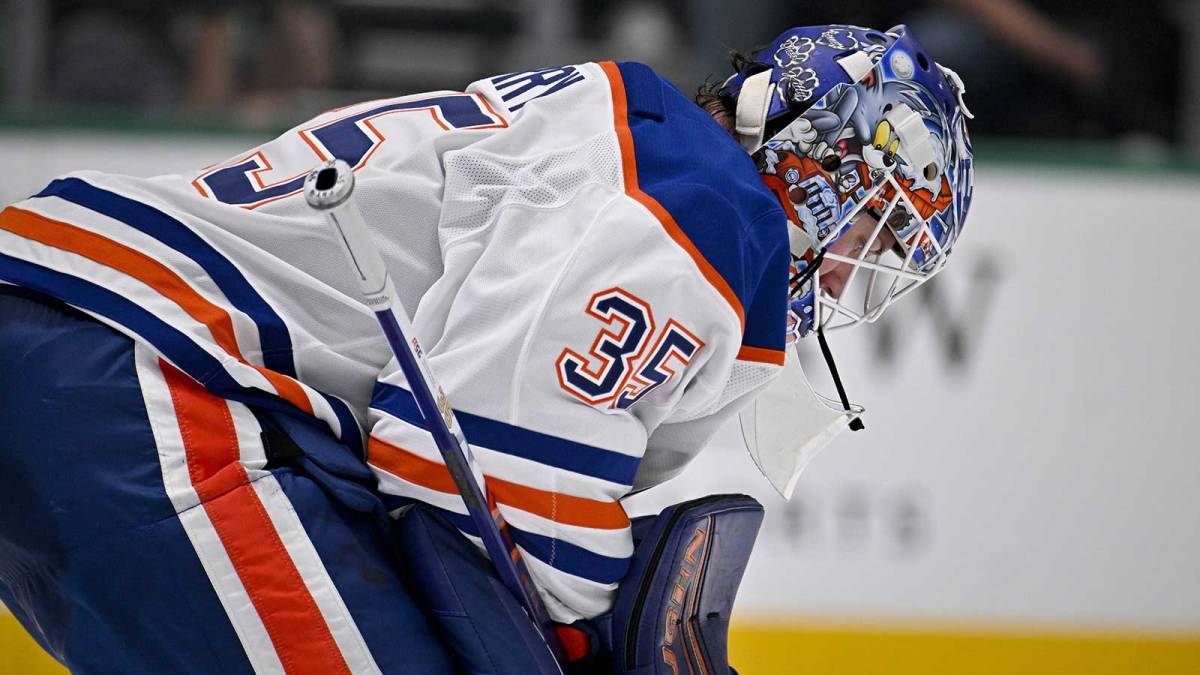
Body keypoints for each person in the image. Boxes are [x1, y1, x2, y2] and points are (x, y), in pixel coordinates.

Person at [0, 23, 973, 673]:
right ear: (821, 161)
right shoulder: (707, 202)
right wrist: (593, 630)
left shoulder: (634, 134)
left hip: (81, 351)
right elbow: (471, 457)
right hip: (131, 371)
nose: (845, 278)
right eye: (870, 230)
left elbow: (444, 458)